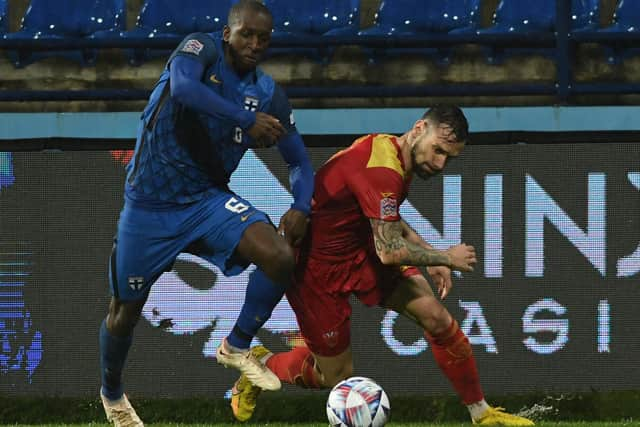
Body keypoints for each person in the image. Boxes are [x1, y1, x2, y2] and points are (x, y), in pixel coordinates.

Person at [230, 106, 535, 426]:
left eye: (449, 158)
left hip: (362, 252)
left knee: (438, 318)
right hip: (318, 271)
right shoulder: (382, 169)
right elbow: (390, 251)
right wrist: (445, 256)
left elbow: (385, 217)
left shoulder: (392, 152)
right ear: (419, 129)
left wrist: (428, 252)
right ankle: (263, 365)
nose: (441, 163)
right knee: (332, 378)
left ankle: (482, 414)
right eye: (439, 150)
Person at [98, 1, 314, 426]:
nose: (254, 44)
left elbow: (299, 162)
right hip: (149, 207)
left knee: (280, 256)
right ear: (228, 32)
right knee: (125, 310)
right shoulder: (200, 50)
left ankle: (236, 346)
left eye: (263, 38)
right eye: (246, 34)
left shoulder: (268, 93)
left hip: (207, 201)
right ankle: (113, 394)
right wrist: (244, 118)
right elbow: (182, 88)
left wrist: (302, 205)